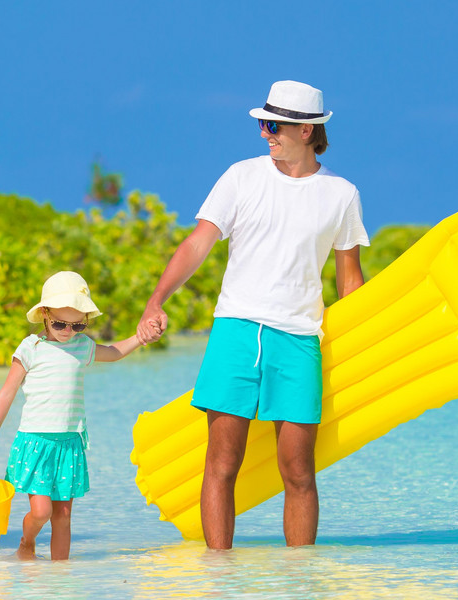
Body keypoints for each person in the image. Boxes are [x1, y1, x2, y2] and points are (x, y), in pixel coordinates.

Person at [137, 80, 369, 550]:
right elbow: (198, 243)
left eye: (274, 125)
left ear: (306, 131)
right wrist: (156, 299)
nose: (265, 133)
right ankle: (220, 576)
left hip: (299, 338)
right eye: (263, 123)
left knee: (298, 470)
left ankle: (300, 581)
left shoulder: (341, 194)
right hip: (237, 330)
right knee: (222, 464)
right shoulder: (241, 177)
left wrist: (362, 346)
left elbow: (350, 277)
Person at [0, 271, 143, 560]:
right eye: (59, 324)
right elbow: (7, 392)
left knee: (63, 516)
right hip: (37, 442)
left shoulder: (82, 347)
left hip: (69, 443)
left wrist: (140, 337)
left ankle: (61, 579)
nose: (68, 331)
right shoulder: (31, 348)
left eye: (78, 325)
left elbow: (115, 352)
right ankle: (26, 542)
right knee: (41, 511)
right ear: (44, 314)